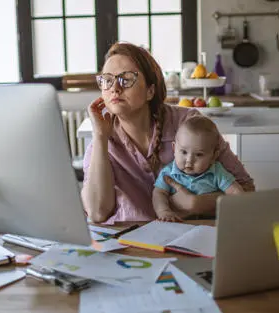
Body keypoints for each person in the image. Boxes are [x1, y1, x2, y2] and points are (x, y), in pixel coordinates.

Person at [82, 42, 254, 224]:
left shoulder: (189, 124)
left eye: (126, 78)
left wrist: (198, 204)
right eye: (107, 80)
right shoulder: (100, 142)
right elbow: (97, 213)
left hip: (192, 237)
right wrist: (100, 137)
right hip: (131, 244)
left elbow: (247, 190)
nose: (115, 88)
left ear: (150, 91)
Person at [152, 115, 243, 222]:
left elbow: (235, 192)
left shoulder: (216, 171)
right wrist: (164, 211)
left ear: (213, 156)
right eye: (184, 152)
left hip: (211, 222)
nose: (189, 160)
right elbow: (159, 193)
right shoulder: (168, 172)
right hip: (179, 223)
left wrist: (241, 206)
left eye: (199, 154)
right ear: (174, 148)